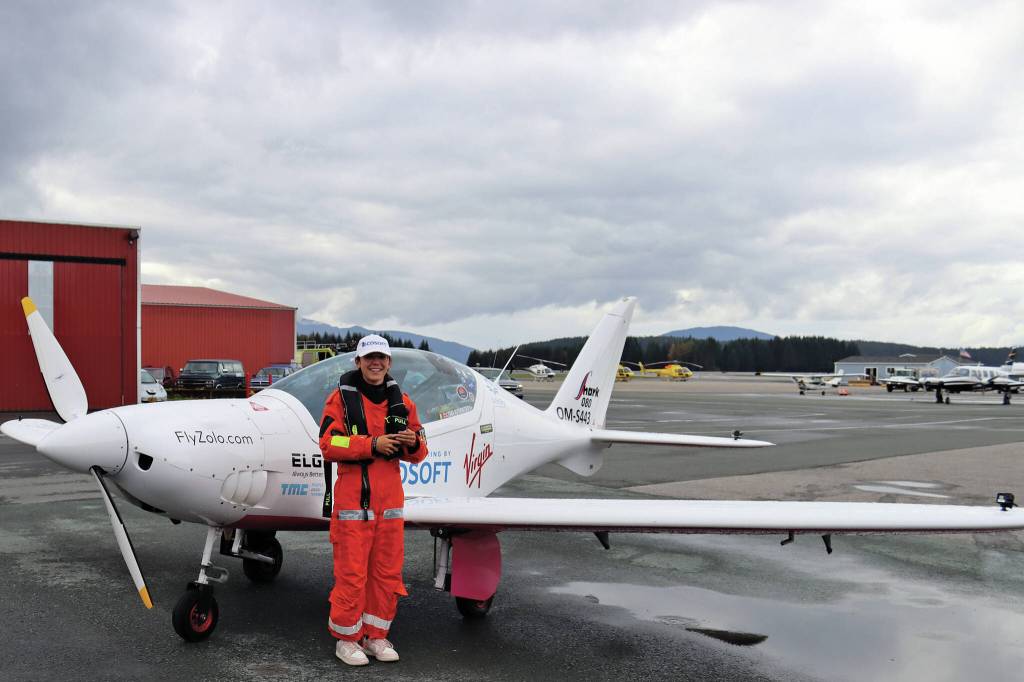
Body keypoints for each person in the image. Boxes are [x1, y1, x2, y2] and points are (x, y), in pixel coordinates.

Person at [318, 335, 428, 666]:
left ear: (389, 362)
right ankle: (347, 640)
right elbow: (328, 443)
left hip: (389, 507)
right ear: (358, 362)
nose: (375, 362)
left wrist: (410, 441)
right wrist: (371, 445)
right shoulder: (339, 400)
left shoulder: (404, 403)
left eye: (381, 357)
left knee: (386, 575)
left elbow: (420, 451)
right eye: (369, 358)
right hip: (353, 506)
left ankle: (376, 636)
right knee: (352, 576)